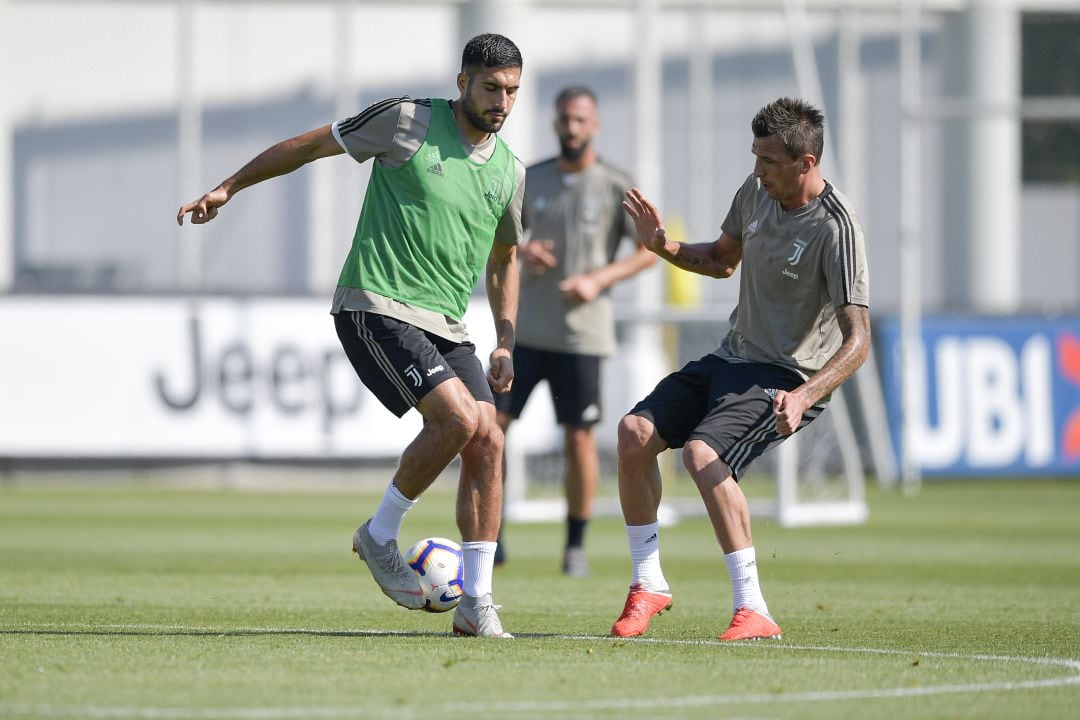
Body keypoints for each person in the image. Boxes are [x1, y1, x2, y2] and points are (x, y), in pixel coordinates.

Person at [176, 34, 526, 639]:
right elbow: (311, 146)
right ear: (463, 81)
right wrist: (228, 187)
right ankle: (382, 532)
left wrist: (504, 340)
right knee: (461, 421)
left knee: (490, 440)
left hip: (448, 324)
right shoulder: (407, 121)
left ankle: (477, 604)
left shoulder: (510, 170)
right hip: (375, 303)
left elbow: (505, 257)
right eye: (492, 87)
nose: (502, 101)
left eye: (513, 90)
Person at [610, 97, 871, 640]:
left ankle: (754, 609)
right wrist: (663, 247)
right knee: (634, 433)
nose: (757, 170)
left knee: (704, 455)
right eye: (755, 156)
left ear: (807, 162)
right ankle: (648, 583)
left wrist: (803, 396)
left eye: (770, 161)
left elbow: (858, 340)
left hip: (786, 376)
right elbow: (720, 261)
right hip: (733, 358)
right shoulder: (755, 193)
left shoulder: (836, 228)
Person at [494, 86, 655, 577]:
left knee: (579, 439)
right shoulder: (530, 178)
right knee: (491, 433)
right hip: (523, 332)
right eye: (565, 118)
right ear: (554, 122)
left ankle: (575, 545)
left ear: (595, 124)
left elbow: (651, 249)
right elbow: (496, 240)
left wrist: (597, 279)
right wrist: (523, 253)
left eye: (581, 119)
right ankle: (491, 534)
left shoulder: (614, 185)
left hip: (583, 337)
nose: (572, 127)